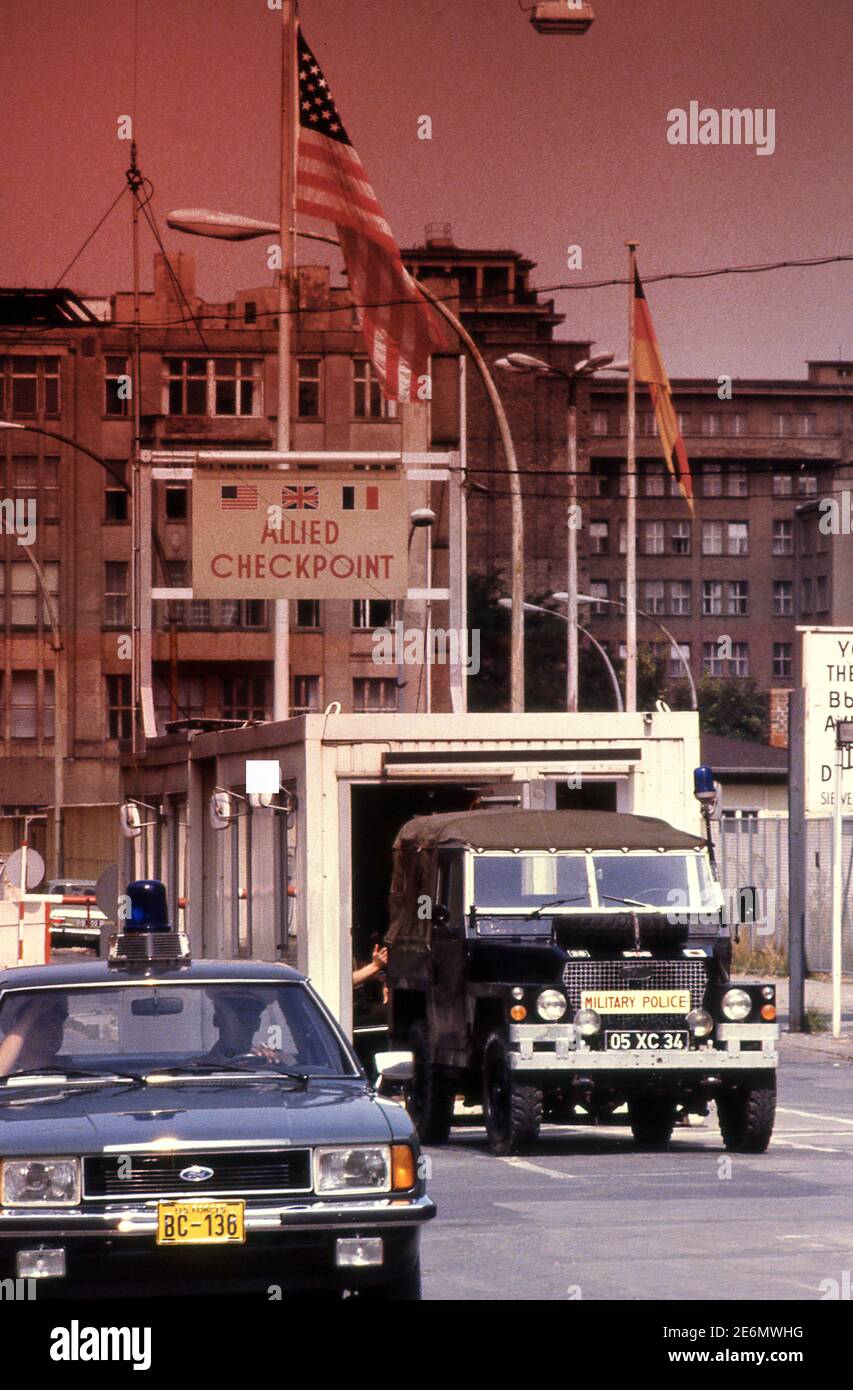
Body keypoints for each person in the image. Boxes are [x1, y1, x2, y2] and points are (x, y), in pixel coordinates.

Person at [205, 991, 283, 1065]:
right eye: (235, 1014)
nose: (243, 1023)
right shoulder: (197, 1070)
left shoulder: (267, 1064)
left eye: (249, 1016)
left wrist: (275, 1061)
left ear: (257, 1023)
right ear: (217, 1020)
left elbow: (292, 1066)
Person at [0, 994, 69, 1076]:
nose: (53, 1030)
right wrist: (33, 1011)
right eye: (43, 1023)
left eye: (57, 1023)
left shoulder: (72, 1069)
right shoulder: (9, 1072)